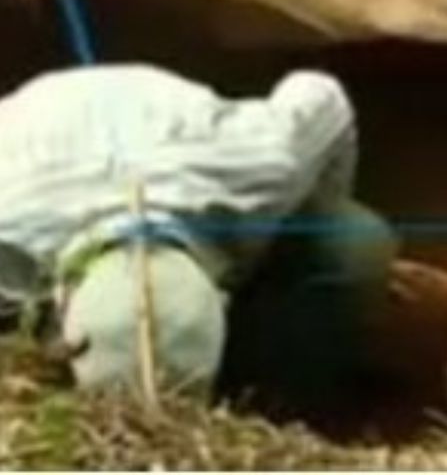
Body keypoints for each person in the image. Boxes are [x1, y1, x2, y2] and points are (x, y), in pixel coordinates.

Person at [0, 64, 395, 416]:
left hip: (176, 128)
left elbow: (324, 96)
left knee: (352, 242)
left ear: (223, 298)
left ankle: (283, 407)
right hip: (25, 140)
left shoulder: (262, 165)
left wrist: (287, 225)